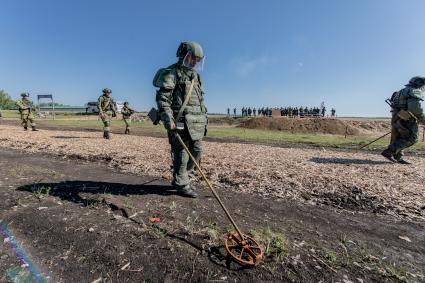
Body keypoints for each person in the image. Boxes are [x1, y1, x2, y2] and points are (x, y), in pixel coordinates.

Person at [154, 41, 207, 198]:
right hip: (180, 120)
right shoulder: (172, 73)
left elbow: (200, 100)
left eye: (198, 59)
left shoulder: (196, 76)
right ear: (184, 56)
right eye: (193, 58)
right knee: (182, 153)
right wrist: (168, 119)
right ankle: (181, 183)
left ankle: (184, 177)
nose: (195, 62)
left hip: (196, 122)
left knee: (197, 151)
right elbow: (163, 99)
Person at [382, 76, 425, 164]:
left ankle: (398, 157)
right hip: (407, 118)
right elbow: (415, 109)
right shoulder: (414, 91)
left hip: (397, 117)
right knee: (412, 138)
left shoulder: (400, 91)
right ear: (419, 84)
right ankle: (389, 151)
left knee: (398, 137)